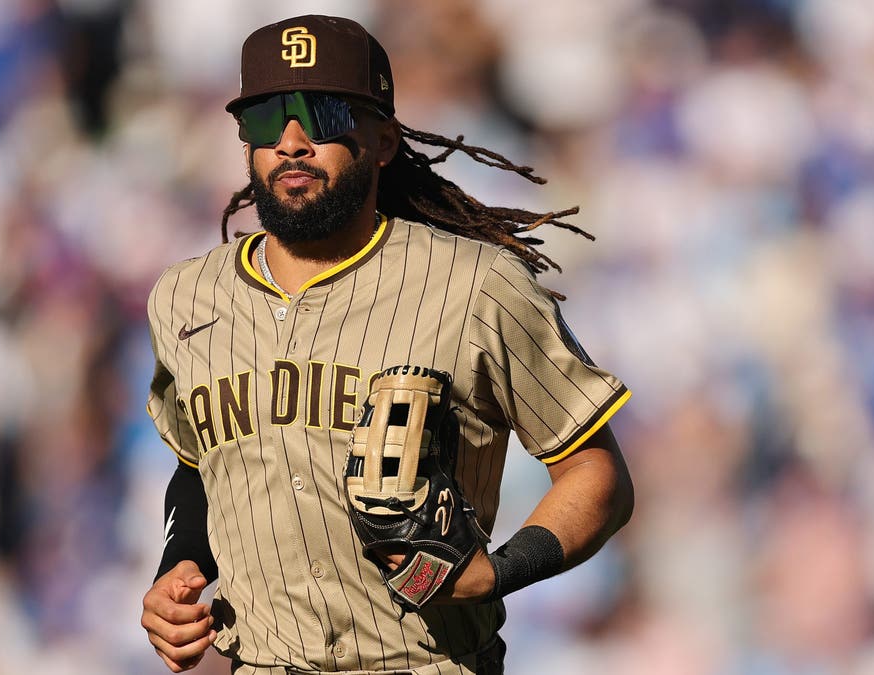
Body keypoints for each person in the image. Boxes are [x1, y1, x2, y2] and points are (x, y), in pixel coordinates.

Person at [141, 14, 633, 675]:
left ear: (383, 140)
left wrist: (500, 571)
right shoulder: (185, 298)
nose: (290, 143)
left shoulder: (475, 284)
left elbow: (596, 473)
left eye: (322, 115)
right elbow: (200, 465)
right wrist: (177, 569)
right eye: (265, 120)